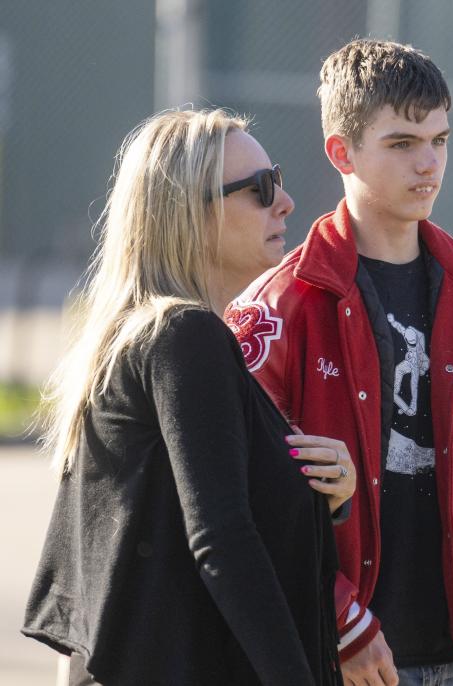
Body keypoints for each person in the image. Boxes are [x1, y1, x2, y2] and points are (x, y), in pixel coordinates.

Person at [226, 39, 453, 686]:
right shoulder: (279, 307)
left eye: (440, 140)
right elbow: (242, 498)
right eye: (401, 144)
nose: (428, 164)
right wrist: (339, 621)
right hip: (333, 658)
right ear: (341, 151)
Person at [22, 109, 352, 685]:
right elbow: (221, 539)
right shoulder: (184, 338)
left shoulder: (141, 336)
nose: (287, 202)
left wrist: (324, 495)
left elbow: (150, 539)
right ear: (188, 214)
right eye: (260, 189)